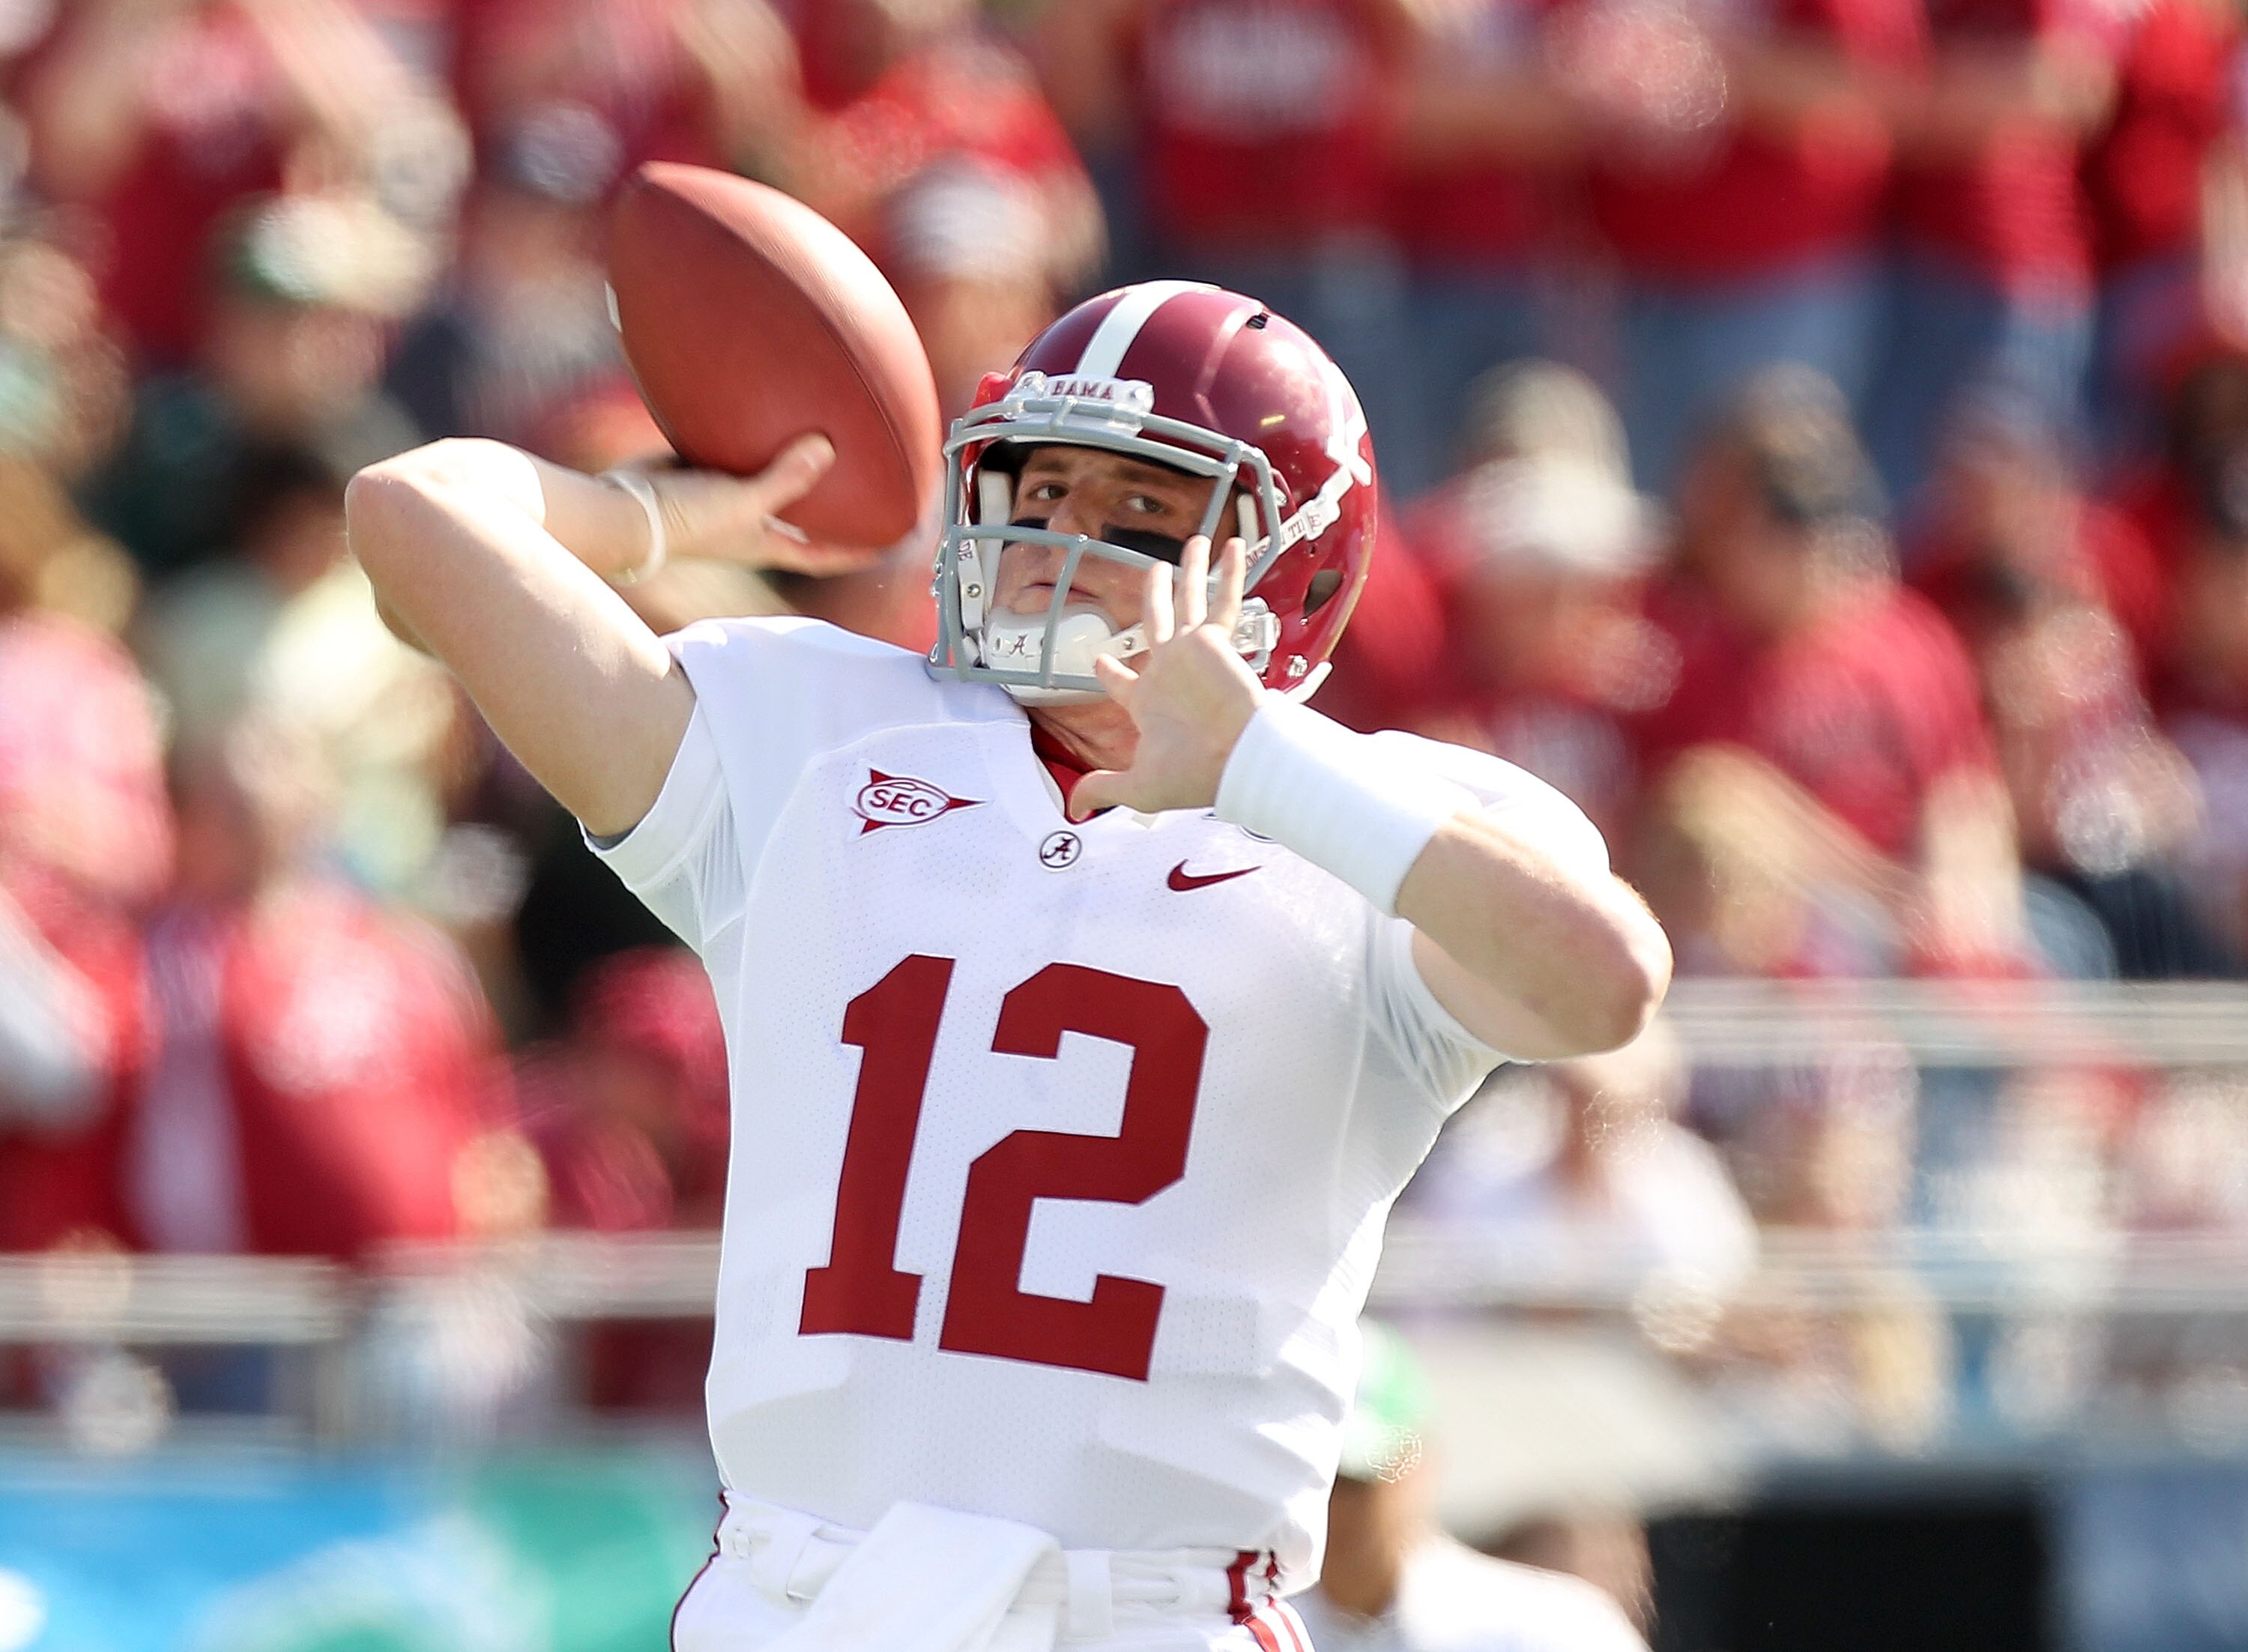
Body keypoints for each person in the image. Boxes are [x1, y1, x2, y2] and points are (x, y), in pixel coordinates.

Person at [347, 278, 1670, 1651]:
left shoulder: (1378, 819)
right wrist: (657, 515)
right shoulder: (819, 730)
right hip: (808, 1597)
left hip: (1146, 1619)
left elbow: (1605, 982)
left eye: (1140, 512)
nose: (1058, 544)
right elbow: (411, 516)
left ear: (1296, 565)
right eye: (1036, 493)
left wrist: (1263, 768)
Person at [1295, 1322, 1651, 1652]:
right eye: (1319, 1478)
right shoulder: (1250, 1632)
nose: (1337, 1505)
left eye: (1360, 1478)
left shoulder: (1558, 1631)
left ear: (1423, 1464)